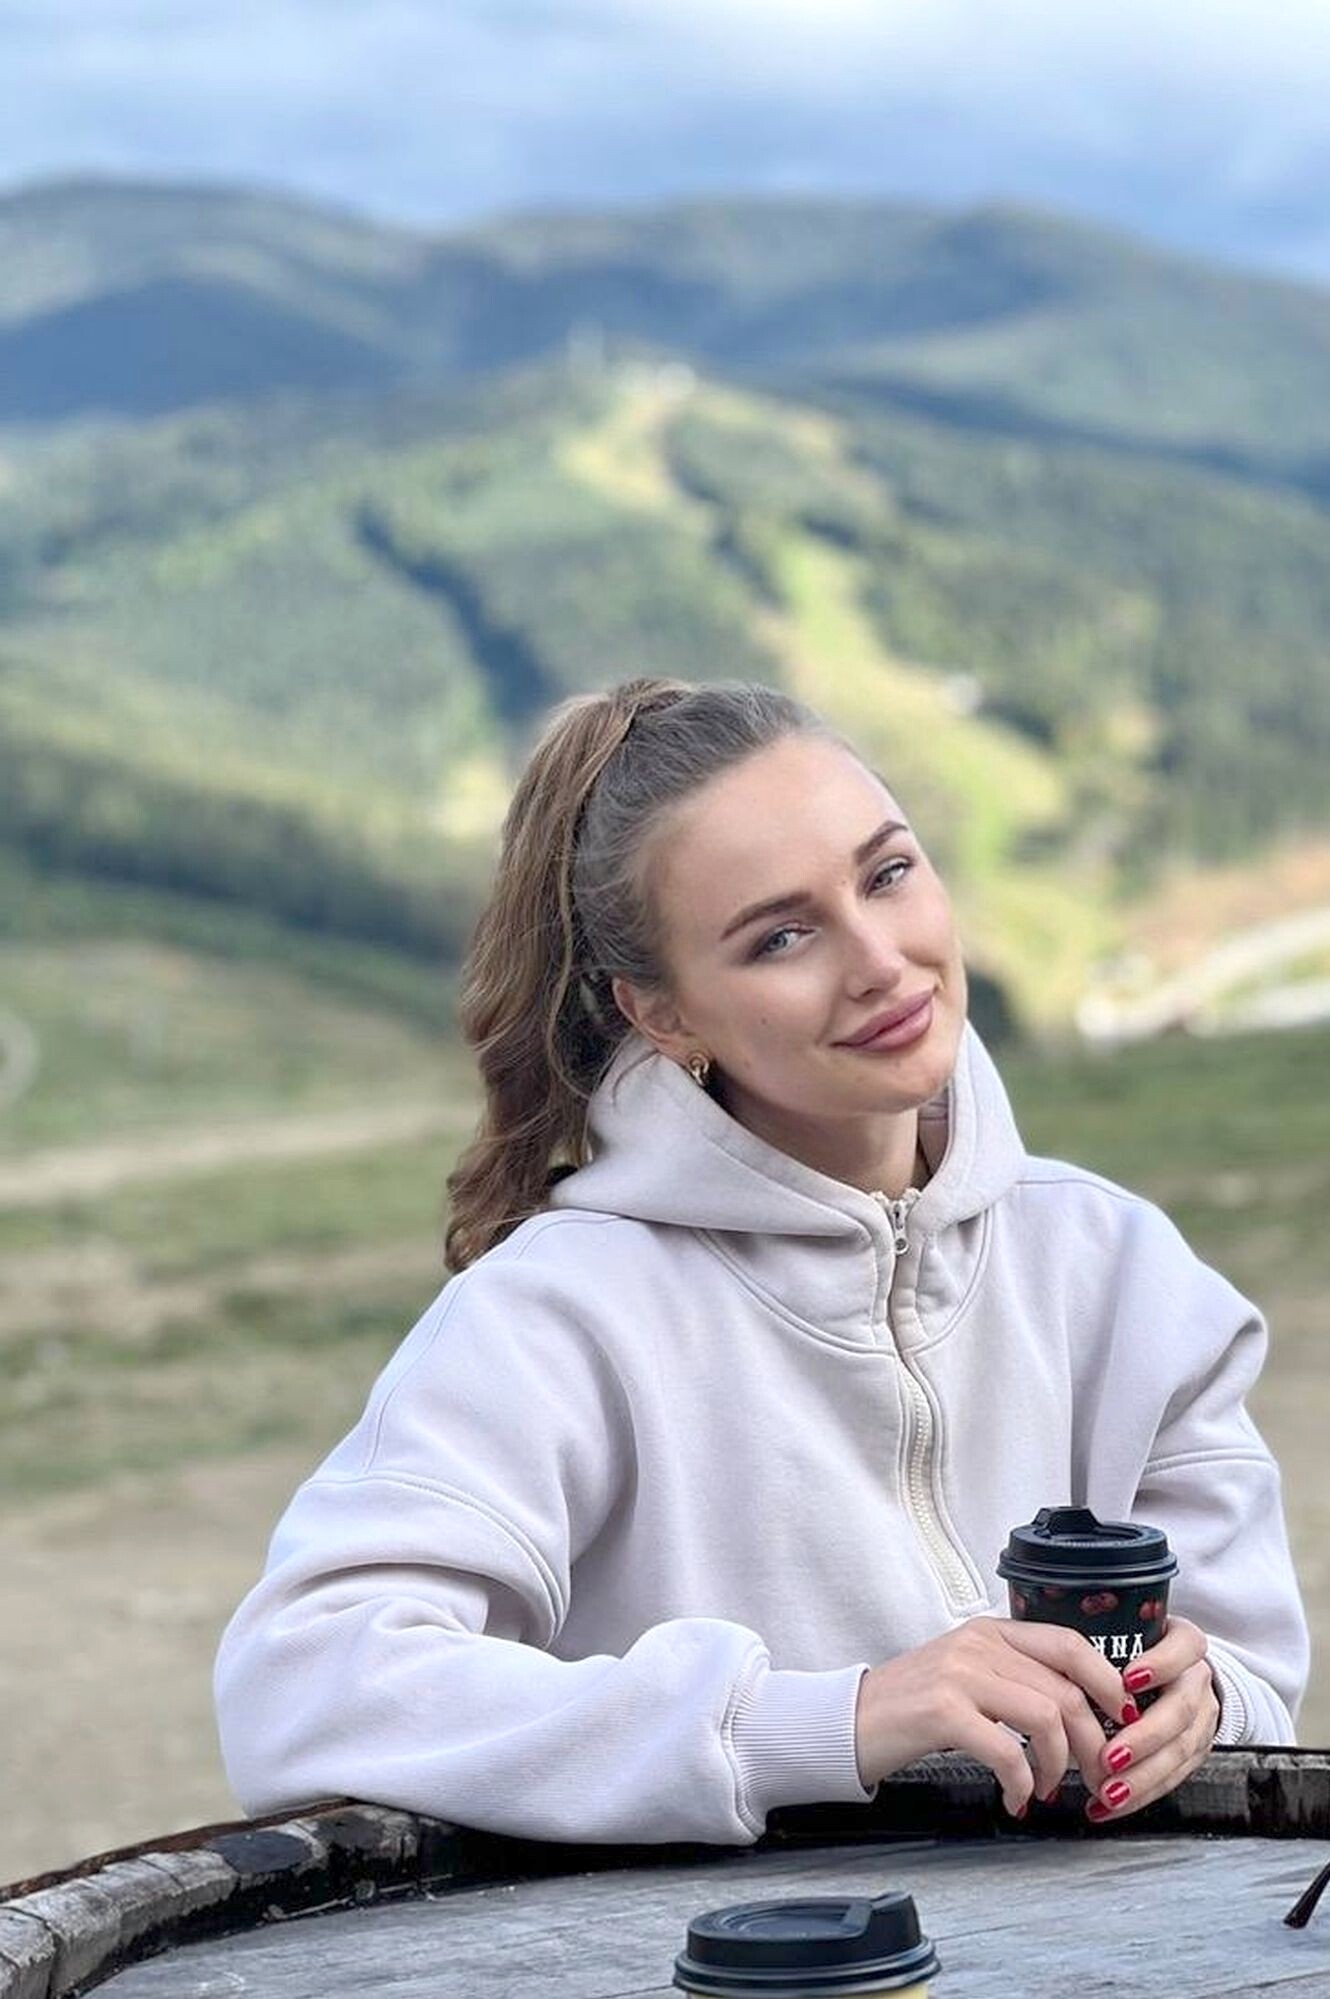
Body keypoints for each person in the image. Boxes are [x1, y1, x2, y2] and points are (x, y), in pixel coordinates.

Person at [214, 676, 1308, 1846]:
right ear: (663, 1014)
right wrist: (829, 1720)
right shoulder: (558, 1314)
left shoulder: (1122, 1268)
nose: (879, 960)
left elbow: (1249, 1679)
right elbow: (302, 1685)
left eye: (887, 873)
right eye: (781, 937)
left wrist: (1205, 1702)